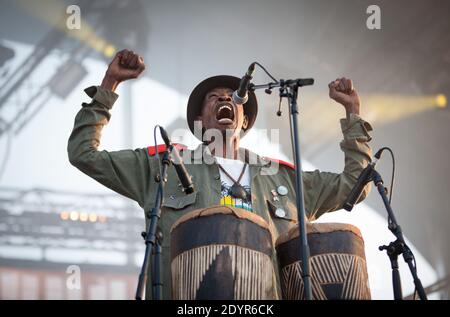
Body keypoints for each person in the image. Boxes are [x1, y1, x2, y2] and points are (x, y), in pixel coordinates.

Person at [68, 49, 373, 299]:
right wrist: (110, 84)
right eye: (214, 97)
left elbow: (353, 186)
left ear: (245, 119)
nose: (226, 99)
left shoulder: (283, 179)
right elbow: (84, 155)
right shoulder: (164, 165)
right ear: (199, 118)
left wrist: (353, 114)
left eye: (232, 97)